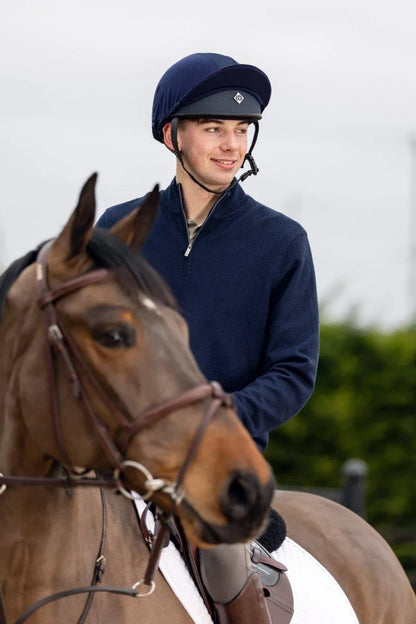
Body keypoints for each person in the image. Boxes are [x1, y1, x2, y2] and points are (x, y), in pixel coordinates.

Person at [97, 52, 319, 624]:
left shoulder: (282, 241)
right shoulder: (116, 231)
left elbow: (293, 372)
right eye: (214, 128)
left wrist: (212, 419)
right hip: (112, 455)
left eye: (242, 130)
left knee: (223, 563)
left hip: (214, 463)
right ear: (172, 135)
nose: (231, 145)